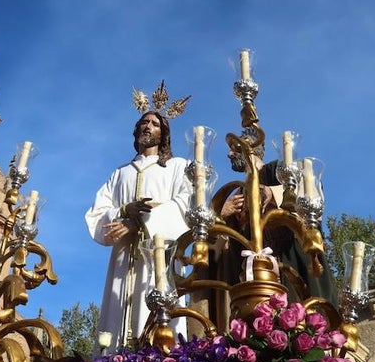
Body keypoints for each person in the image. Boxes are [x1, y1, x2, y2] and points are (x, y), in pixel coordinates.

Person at [85, 110, 193, 348]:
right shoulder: (120, 173)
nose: (148, 126)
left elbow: (186, 204)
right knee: (115, 330)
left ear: (163, 133)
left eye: (155, 124)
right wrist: (122, 211)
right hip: (123, 263)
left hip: (161, 256)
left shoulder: (177, 167)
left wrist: (140, 222)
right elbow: (96, 213)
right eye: (144, 122)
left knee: (163, 325)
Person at [216, 139, 337, 305]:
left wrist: (273, 193)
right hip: (257, 286)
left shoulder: (280, 171)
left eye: (234, 149)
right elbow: (225, 247)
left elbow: (309, 190)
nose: (229, 154)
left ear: (250, 147)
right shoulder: (237, 194)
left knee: (307, 319)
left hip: (295, 269)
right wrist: (220, 214)